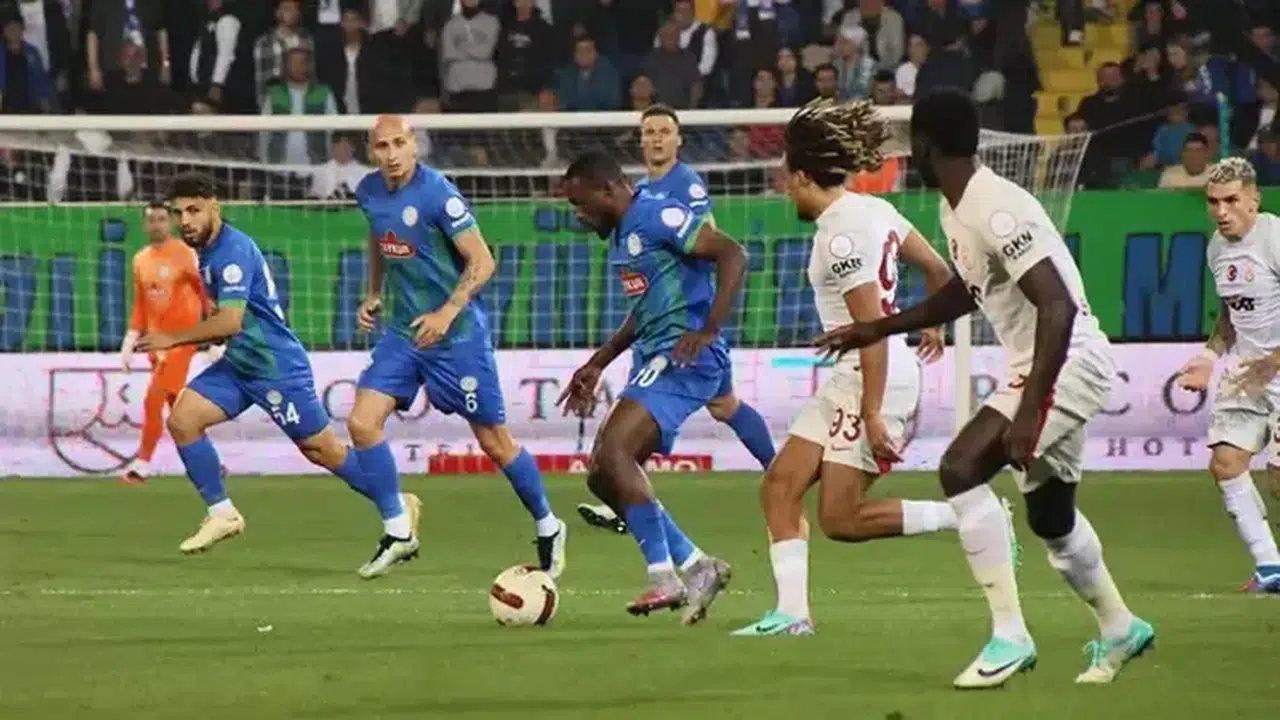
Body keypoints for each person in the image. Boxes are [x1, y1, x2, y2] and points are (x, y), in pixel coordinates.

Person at [815, 89, 1153, 688]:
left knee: (961, 467)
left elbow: (1057, 306)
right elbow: (965, 292)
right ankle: (1120, 625)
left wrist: (1031, 410)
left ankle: (1010, 636)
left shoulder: (995, 206)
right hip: (1043, 362)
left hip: (1066, 361)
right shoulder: (957, 207)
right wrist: (879, 327)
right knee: (1051, 518)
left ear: (925, 145)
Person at [731, 99, 977, 637]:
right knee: (779, 487)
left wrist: (871, 412)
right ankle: (792, 615)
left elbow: (871, 327)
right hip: (855, 372)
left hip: (872, 375)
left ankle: (972, 517)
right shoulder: (874, 209)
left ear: (803, 176)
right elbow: (938, 269)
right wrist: (933, 325)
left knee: (840, 519)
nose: (785, 191)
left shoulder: (840, 235)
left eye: (787, 181)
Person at [137, 172, 420, 577]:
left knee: (322, 450)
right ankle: (222, 513)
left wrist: (173, 337)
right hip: (241, 364)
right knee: (183, 420)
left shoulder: (232, 252)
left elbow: (231, 321)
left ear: (215, 206)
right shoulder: (209, 251)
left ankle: (395, 503)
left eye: (194, 210)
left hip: (275, 368)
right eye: (179, 213)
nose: (186, 221)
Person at [351, 115, 567, 578]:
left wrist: (447, 313)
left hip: (458, 336)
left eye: (399, 143)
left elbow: (483, 261)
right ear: (372, 151)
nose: (391, 154)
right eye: (382, 146)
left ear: (414, 145)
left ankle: (549, 524)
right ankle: (399, 530)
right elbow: (380, 236)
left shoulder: (438, 194)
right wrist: (373, 291)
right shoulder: (368, 192)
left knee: (494, 443)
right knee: (362, 423)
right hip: (404, 332)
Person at [557, 150, 743, 623]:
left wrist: (709, 328)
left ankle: (664, 579)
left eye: (580, 204)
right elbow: (644, 312)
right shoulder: (623, 235)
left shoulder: (659, 214)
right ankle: (698, 566)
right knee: (601, 474)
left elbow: (733, 253)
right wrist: (598, 362)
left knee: (616, 451)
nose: (579, 216)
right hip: (657, 356)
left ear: (608, 190)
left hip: (686, 357)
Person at [576, 104, 777, 535]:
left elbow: (713, 246)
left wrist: (704, 321)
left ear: (678, 139)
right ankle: (777, 472)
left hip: (683, 320)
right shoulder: (641, 190)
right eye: (649, 132)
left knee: (639, 420)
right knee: (723, 405)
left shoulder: (685, 186)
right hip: (660, 316)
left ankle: (631, 498)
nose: (656, 139)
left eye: (664, 131)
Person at [1175, 157, 1280, 594]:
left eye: (1231, 200)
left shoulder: (1274, 238)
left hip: (1274, 368)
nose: (1221, 211)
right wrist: (1209, 355)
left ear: (1254, 199)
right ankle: (1270, 568)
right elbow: (1229, 315)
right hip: (1247, 374)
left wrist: (1273, 361)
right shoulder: (1217, 248)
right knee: (1225, 462)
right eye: (1213, 201)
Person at [120, 200, 217, 484]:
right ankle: (211, 463)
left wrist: (214, 335)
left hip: (181, 340)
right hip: (155, 343)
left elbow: (205, 293)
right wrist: (131, 338)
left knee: (154, 399)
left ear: (171, 222)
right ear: (144, 224)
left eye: (162, 219)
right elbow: (141, 303)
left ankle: (142, 464)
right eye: (151, 220)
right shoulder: (140, 259)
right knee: (179, 410)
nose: (157, 225)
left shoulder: (185, 254)